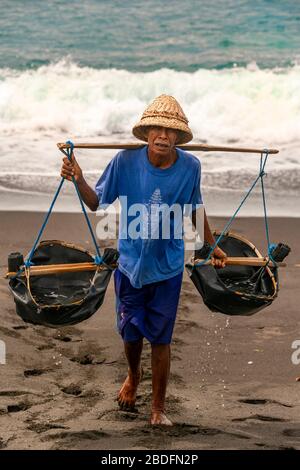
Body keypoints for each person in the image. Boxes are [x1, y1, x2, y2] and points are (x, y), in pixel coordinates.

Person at [60, 95, 227, 426]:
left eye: (170, 131)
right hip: (130, 264)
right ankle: (134, 376)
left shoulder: (190, 166)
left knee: (162, 339)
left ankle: (158, 408)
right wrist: (77, 177)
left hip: (166, 267)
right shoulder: (124, 162)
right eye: (157, 129)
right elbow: (96, 203)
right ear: (147, 132)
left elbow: (195, 208)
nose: (163, 136)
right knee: (131, 334)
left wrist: (211, 246)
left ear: (179, 137)